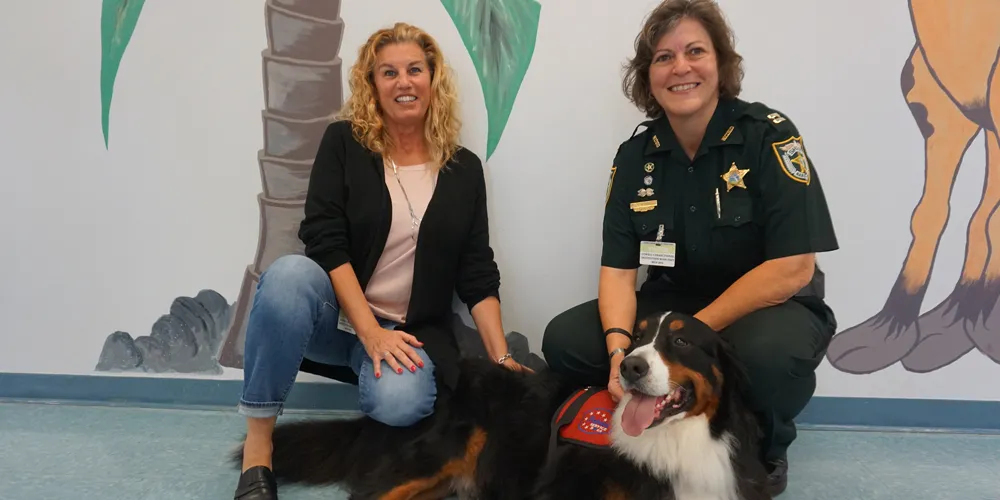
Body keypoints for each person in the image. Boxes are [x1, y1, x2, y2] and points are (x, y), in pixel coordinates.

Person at [540, 0, 839, 496]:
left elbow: (793, 267)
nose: (680, 67)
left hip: (769, 306)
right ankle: (654, 424)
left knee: (765, 358)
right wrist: (619, 351)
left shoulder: (768, 136)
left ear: (721, 64)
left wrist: (695, 334)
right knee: (566, 340)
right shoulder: (635, 156)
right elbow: (618, 271)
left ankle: (764, 444)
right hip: (673, 309)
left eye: (695, 51)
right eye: (663, 57)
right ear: (648, 76)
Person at [233, 22, 527, 500]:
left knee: (403, 402)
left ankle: (374, 396)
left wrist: (501, 357)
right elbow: (323, 238)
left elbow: (477, 271)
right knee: (288, 275)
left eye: (414, 69)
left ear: (433, 80)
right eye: (388, 72)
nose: (403, 82)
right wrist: (369, 331)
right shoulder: (344, 144)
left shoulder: (464, 169)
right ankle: (259, 447)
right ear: (372, 86)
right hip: (341, 319)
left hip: (408, 335)